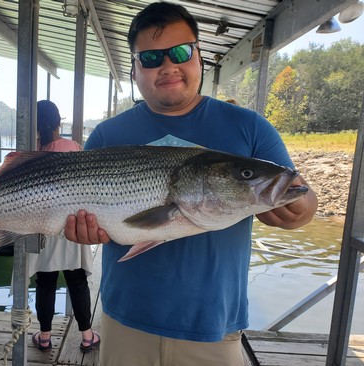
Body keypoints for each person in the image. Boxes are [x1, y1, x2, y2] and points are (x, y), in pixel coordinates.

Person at [63, 2, 318, 366]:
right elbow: (84, 214)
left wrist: (299, 208)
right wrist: (83, 231)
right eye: (151, 58)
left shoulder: (250, 128)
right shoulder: (107, 134)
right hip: (126, 322)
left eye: (181, 52)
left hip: (215, 326)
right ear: (135, 69)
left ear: (199, 56)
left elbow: (302, 202)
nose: (168, 66)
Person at [30, 100, 100, 353]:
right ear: (59, 122)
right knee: (77, 281)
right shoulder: (74, 149)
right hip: (73, 226)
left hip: (43, 226)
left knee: (45, 282)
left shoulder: (33, 151)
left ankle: (45, 336)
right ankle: (87, 336)